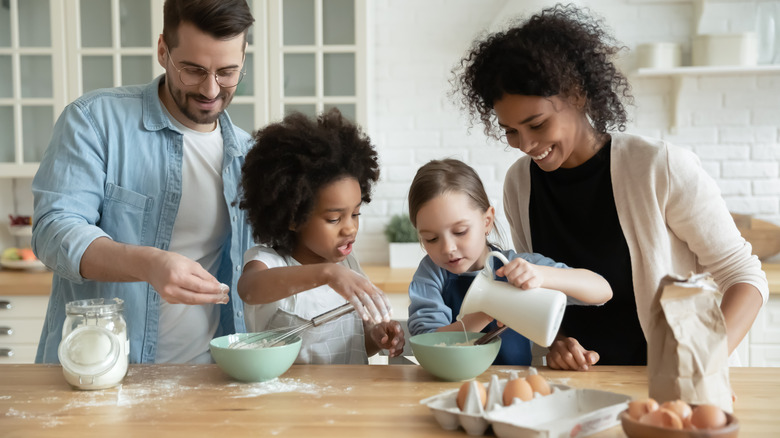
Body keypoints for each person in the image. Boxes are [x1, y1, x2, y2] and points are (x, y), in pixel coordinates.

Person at [452, 4, 769, 370]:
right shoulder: (519, 182)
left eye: (536, 125)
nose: (525, 144)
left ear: (577, 94)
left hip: (670, 383)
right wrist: (556, 342)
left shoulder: (657, 167)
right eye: (510, 131)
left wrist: (703, 364)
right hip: (578, 385)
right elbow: (539, 290)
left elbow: (743, 276)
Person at [32, 0, 255, 364]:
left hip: (209, 381)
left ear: (243, 58)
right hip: (99, 377)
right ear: (163, 50)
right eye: (193, 70)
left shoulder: (249, 157)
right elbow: (53, 232)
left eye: (227, 72)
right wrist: (148, 264)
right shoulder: (95, 121)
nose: (211, 90)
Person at [237, 109, 405, 364]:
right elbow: (249, 289)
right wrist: (327, 273)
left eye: (356, 214)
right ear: (293, 217)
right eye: (334, 219)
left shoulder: (349, 266)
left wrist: (378, 337)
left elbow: (354, 344)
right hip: (287, 404)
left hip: (346, 400)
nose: (350, 228)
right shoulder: (269, 262)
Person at [405, 159, 612, 365]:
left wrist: (543, 275)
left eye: (460, 232)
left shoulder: (517, 267)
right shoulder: (431, 274)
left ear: (487, 221)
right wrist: (488, 310)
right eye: (431, 238)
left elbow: (602, 291)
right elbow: (429, 342)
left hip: (513, 386)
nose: (447, 248)